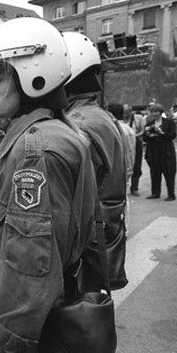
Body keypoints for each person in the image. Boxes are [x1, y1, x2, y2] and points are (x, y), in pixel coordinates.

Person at [0, 18, 97, 353]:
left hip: (28, 326)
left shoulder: (35, 148)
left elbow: (29, 264)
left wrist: (2, 352)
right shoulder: (53, 131)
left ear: (34, 75)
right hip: (44, 312)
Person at [63, 31, 129, 291]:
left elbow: (71, 195)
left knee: (79, 310)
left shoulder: (78, 124)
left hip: (87, 235)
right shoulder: (101, 116)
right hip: (106, 227)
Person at [143, 103, 177, 201]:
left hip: (166, 151)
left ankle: (171, 194)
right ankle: (155, 192)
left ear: (160, 112)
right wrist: (149, 134)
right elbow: (145, 138)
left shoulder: (168, 122)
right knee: (155, 172)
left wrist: (162, 133)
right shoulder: (149, 123)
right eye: (152, 112)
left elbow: (172, 135)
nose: (154, 113)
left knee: (169, 172)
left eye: (156, 111)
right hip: (153, 151)